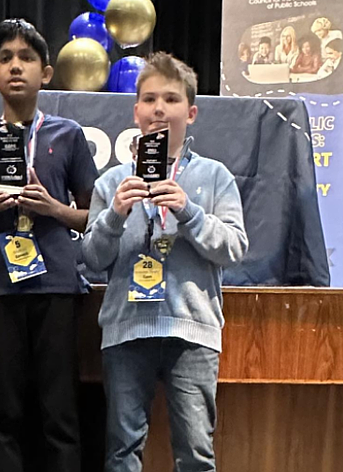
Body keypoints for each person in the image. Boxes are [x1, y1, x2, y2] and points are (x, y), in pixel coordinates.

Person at [82, 52, 248, 472]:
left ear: (190, 112)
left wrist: (189, 212)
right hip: (126, 331)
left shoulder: (215, 177)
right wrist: (114, 216)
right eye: (150, 99)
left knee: (195, 454)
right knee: (122, 452)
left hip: (192, 333)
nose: (159, 108)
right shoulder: (111, 182)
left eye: (171, 99)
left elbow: (234, 247)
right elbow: (91, 259)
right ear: (135, 110)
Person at [0, 19, 99, 472]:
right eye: (5, 58)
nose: (16, 66)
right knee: (3, 415)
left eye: (27, 58)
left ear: (46, 74)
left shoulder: (68, 134)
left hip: (56, 288)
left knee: (60, 415)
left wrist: (54, 208)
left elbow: (93, 216)